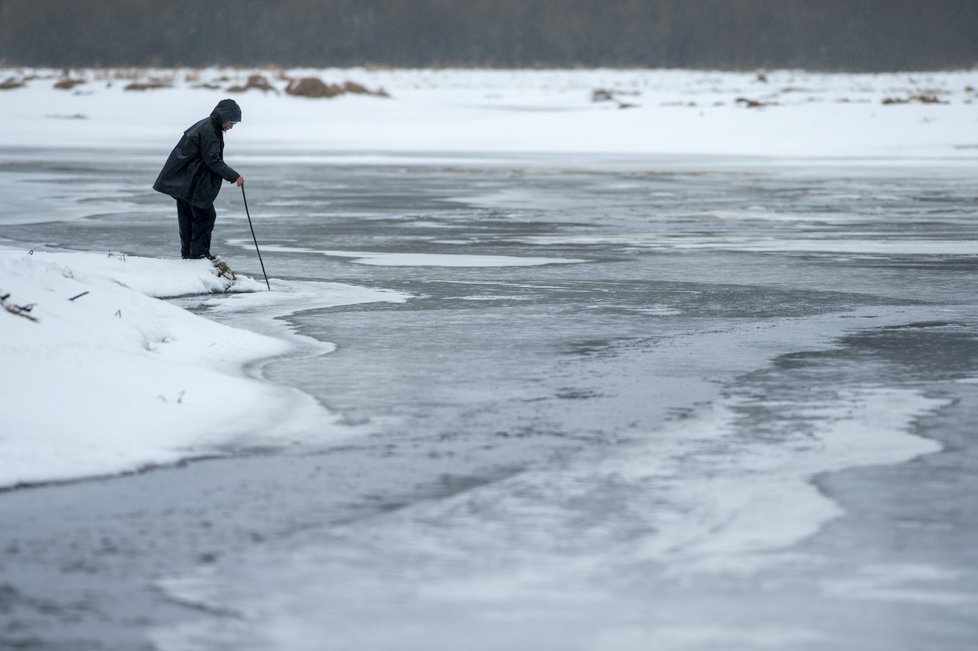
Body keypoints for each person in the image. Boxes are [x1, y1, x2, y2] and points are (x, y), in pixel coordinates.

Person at [153, 99, 245, 260]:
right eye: (232, 122)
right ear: (224, 117)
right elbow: (212, 160)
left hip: (185, 182)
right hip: (191, 183)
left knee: (188, 218)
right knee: (205, 216)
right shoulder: (209, 130)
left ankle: (188, 256)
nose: (231, 127)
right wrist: (234, 176)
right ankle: (198, 256)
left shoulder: (207, 125)